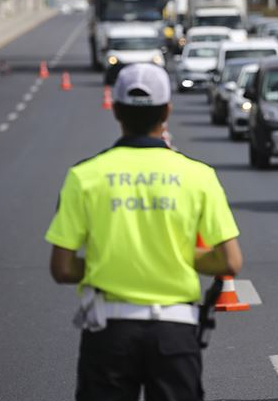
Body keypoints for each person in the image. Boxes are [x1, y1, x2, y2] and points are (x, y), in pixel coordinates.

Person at [45, 63, 243, 401]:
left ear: (116, 110)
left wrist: (108, 262)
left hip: (108, 332)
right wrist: (176, 257)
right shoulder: (199, 176)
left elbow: (62, 268)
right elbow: (229, 261)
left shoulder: (84, 176)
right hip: (175, 333)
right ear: (167, 110)